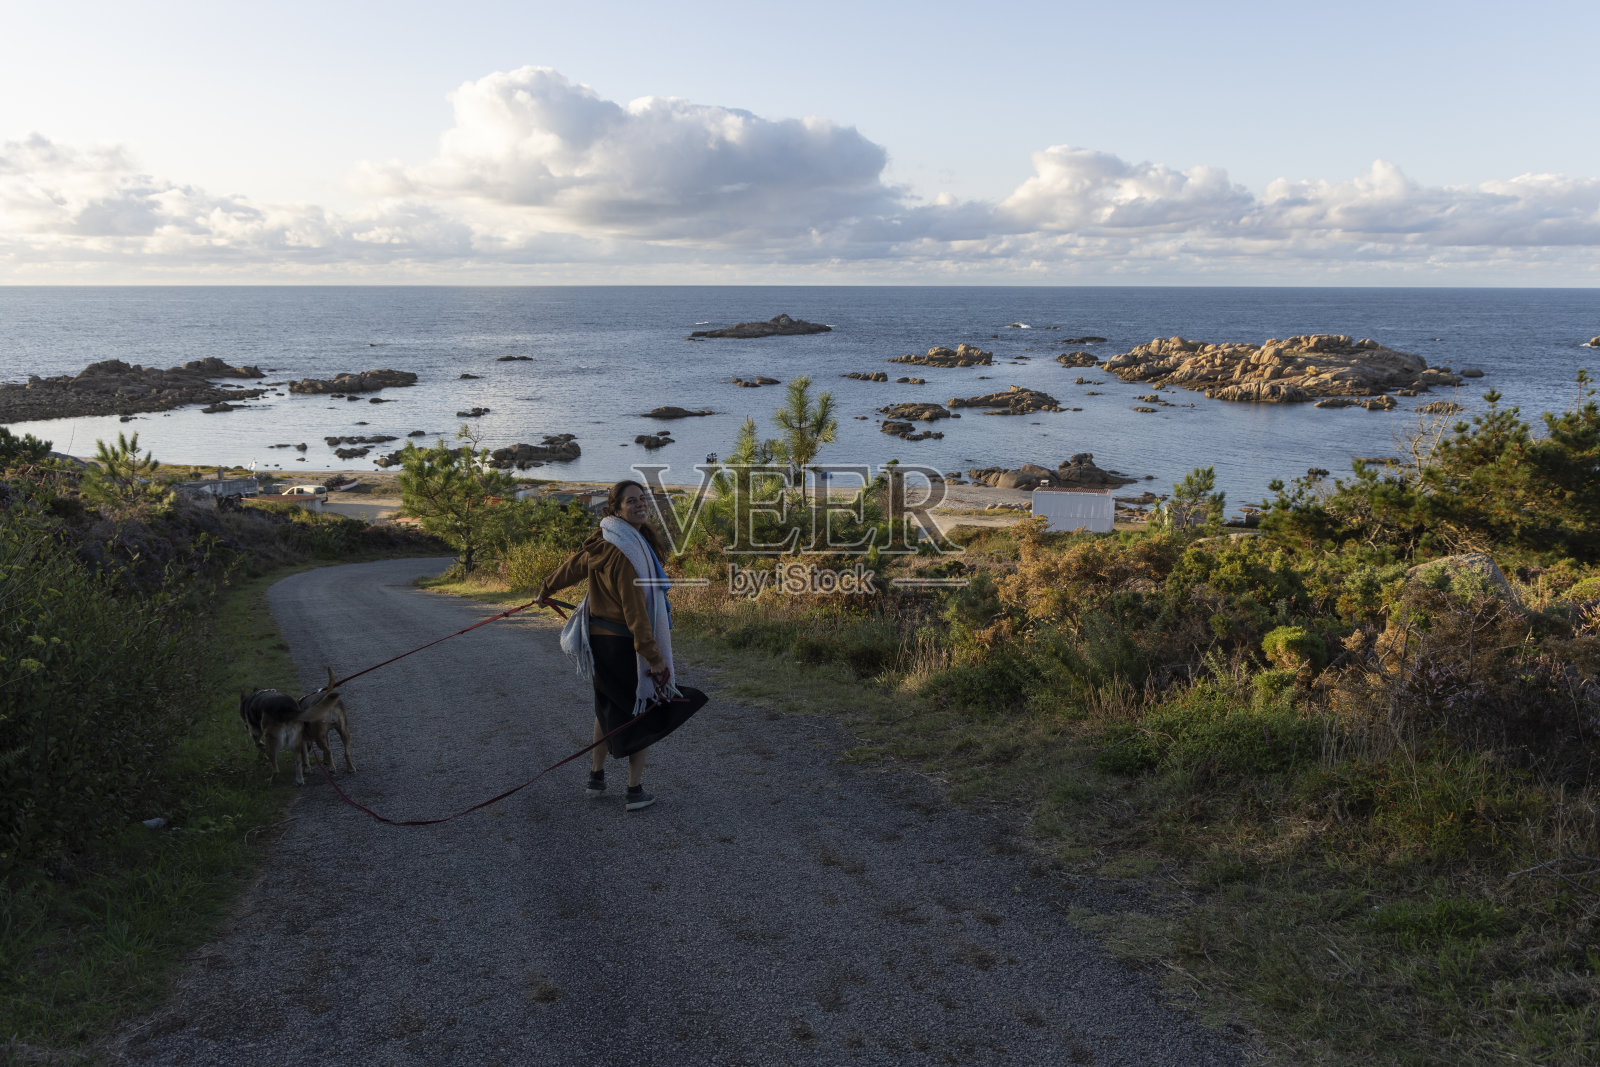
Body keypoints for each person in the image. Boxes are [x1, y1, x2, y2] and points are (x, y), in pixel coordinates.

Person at [538, 480, 707, 811]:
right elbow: (635, 612)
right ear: (615, 509)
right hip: (621, 644)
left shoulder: (606, 540)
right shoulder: (625, 552)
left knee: (607, 704)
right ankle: (634, 791)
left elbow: (572, 567)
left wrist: (546, 589)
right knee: (640, 710)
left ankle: (596, 777)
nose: (640, 505)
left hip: (600, 642)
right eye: (632, 501)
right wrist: (653, 657)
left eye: (642, 500)